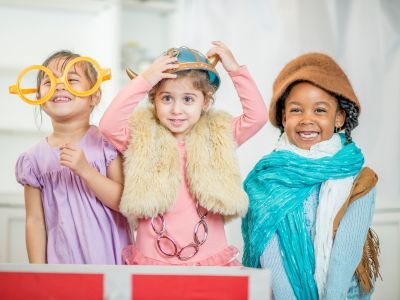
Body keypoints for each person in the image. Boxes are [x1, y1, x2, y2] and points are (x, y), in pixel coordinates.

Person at [99, 41, 267, 265]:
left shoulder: (218, 135)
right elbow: (108, 126)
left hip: (210, 256)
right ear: (153, 100)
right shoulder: (141, 136)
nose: (176, 110)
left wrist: (235, 69)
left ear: (205, 102)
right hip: (152, 256)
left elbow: (257, 116)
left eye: (188, 99)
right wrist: (145, 80)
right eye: (166, 98)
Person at [241, 53, 379, 299]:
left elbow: (346, 253)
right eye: (296, 110)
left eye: (319, 110)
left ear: (339, 118)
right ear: (284, 117)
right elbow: (270, 256)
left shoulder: (361, 181)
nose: (307, 120)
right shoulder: (267, 179)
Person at [13, 50, 132, 264]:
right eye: (49, 81)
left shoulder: (107, 144)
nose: (59, 85)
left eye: (71, 79)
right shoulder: (33, 160)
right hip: (62, 268)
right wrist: (38, 273)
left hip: (111, 265)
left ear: (94, 96)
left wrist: (86, 171)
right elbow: (35, 221)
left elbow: (125, 203)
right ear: (39, 99)